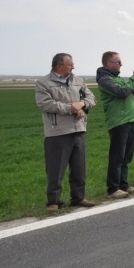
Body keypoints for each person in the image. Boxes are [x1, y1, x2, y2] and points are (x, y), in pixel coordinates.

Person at [35, 53, 97, 211]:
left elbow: (91, 99)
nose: (73, 67)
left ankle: (78, 197)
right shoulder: (44, 83)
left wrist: (81, 104)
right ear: (59, 66)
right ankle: (53, 202)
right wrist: (71, 108)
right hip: (58, 132)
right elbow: (46, 104)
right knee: (56, 169)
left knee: (79, 168)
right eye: (70, 64)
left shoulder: (78, 80)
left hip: (79, 129)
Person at [96, 51, 134, 199]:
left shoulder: (117, 78)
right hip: (118, 122)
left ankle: (123, 185)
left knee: (126, 156)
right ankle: (113, 188)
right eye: (118, 62)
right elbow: (122, 92)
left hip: (129, 120)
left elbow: (131, 91)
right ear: (109, 63)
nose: (121, 64)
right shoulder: (105, 80)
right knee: (117, 156)